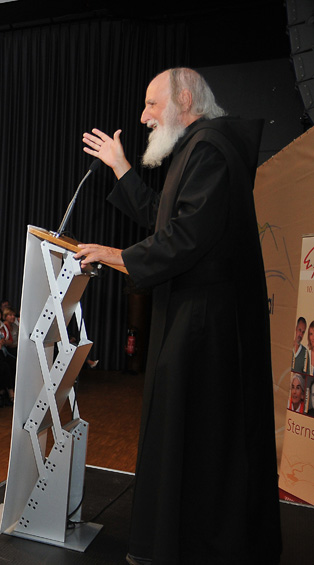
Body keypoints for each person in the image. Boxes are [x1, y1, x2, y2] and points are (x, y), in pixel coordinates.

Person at [77, 67, 280, 564]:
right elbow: (164, 219)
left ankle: (190, 544)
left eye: (151, 104)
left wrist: (114, 254)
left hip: (205, 328)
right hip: (192, 319)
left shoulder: (210, 149)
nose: (144, 116)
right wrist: (122, 168)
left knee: (199, 440)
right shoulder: (197, 149)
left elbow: (184, 240)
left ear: (184, 98)